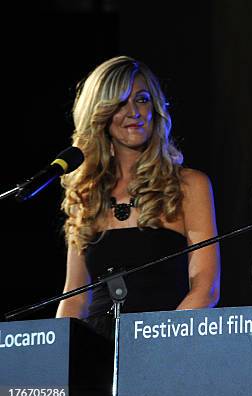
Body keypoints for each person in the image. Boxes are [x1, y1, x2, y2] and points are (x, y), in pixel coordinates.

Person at [55, 56, 220, 338]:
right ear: (101, 113)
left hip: (164, 348)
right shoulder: (86, 194)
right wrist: (55, 357)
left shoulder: (189, 185)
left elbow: (205, 288)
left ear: (155, 108)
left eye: (142, 100)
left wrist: (156, 346)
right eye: (120, 103)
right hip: (96, 354)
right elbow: (75, 298)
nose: (133, 112)